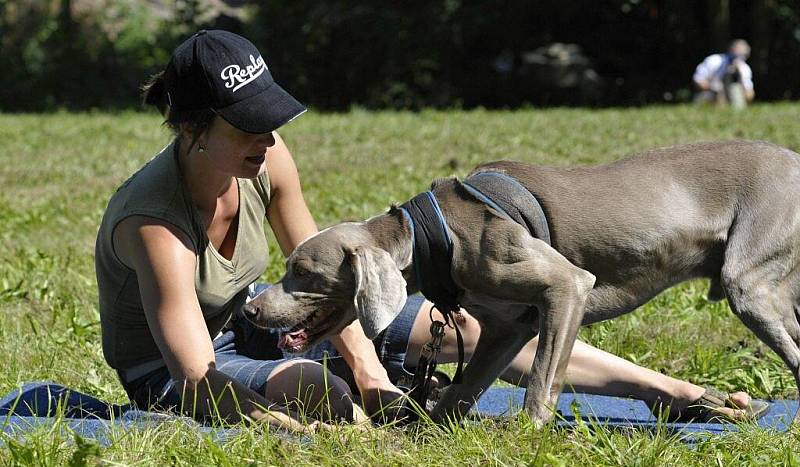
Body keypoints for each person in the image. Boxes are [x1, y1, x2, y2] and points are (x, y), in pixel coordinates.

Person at [95, 30, 767, 432]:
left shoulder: (263, 161)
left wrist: (370, 371)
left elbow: (330, 284)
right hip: (178, 366)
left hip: (257, 319)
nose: (269, 137)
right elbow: (193, 374)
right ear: (192, 128)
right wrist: (341, 401)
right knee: (316, 390)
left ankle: (676, 394)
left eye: (271, 119)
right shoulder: (154, 222)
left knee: (484, 322)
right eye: (248, 123)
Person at [693, 39, 755, 109]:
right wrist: (715, 90)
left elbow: (749, 94)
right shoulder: (714, 60)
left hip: (732, 98)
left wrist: (741, 82)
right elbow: (698, 80)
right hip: (711, 94)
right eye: (736, 52)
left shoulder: (745, 69)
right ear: (730, 50)